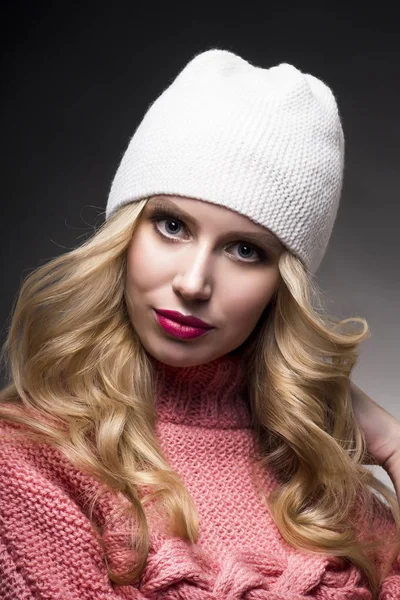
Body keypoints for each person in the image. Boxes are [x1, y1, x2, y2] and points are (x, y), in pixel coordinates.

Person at [0, 48, 399, 600]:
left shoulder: (316, 481)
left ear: (282, 285)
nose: (193, 282)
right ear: (124, 235)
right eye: (171, 225)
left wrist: (391, 442)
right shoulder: (27, 460)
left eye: (244, 250)